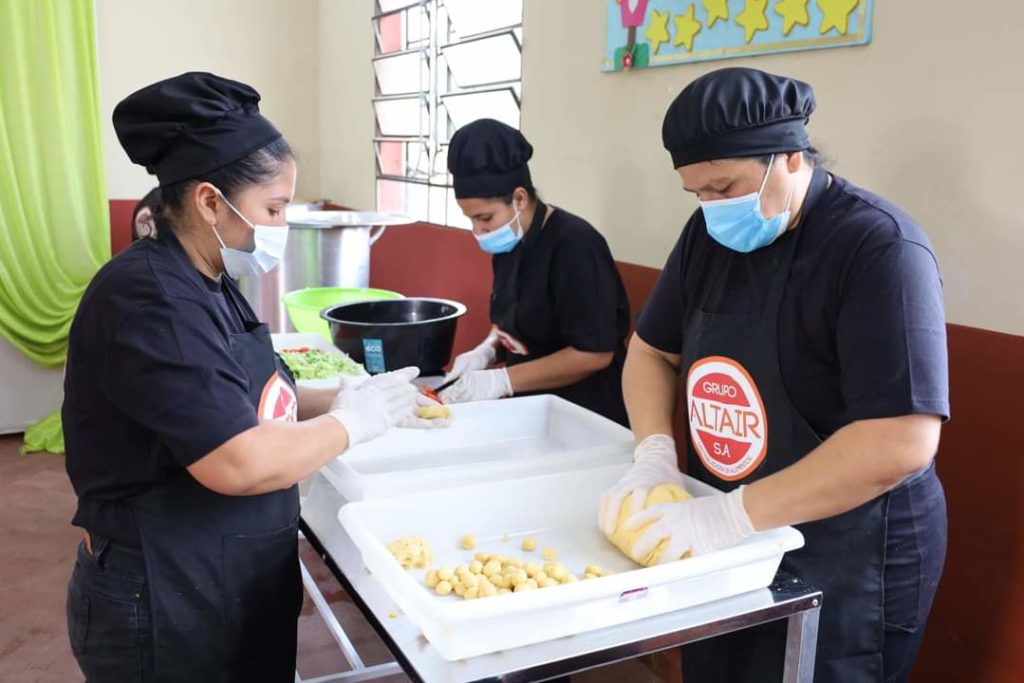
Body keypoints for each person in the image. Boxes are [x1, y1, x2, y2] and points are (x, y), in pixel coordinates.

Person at [62, 72, 440, 682]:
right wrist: (353, 423)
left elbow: (250, 398)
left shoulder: (209, 278)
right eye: (274, 208)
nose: (280, 224)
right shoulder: (151, 300)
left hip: (221, 577)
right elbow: (236, 461)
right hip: (162, 597)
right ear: (211, 202)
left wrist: (347, 395)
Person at [599, 68, 948, 682]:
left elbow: (901, 440)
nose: (713, 207)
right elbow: (649, 352)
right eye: (698, 193)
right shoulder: (709, 237)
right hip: (731, 543)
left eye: (725, 186)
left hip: (848, 556)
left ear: (789, 155)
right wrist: (654, 454)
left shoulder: (879, 249)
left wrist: (727, 517)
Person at [440, 118, 631, 426]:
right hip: (531, 411)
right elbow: (513, 321)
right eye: (470, 219)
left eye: (485, 218)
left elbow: (595, 353)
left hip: (587, 414)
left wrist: (501, 380)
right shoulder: (510, 243)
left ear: (519, 198)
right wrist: (486, 351)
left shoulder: (576, 245)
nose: (478, 230)